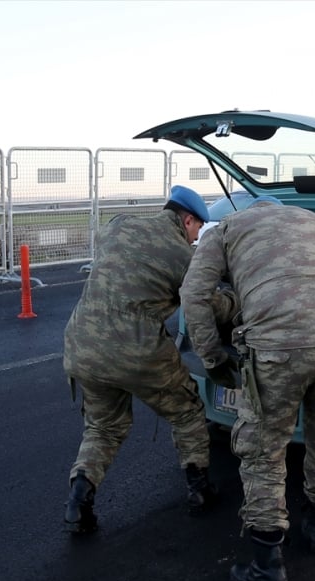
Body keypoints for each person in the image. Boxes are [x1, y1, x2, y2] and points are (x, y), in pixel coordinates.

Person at [180, 198, 315, 581]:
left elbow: (194, 295)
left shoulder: (227, 229)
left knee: (264, 450)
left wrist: (212, 358)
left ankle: (267, 568)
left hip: (277, 350)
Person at [62, 185, 238, 533]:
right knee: (187, 411)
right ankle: (199, 489)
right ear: (187, 219)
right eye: (197, 229)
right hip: (135, 350)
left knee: (103, 427)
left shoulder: (120, 224)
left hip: (82, 344)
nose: (197, 237)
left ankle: (78, 502)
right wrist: (235, 298)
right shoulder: (181, 255)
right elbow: (205, 302)